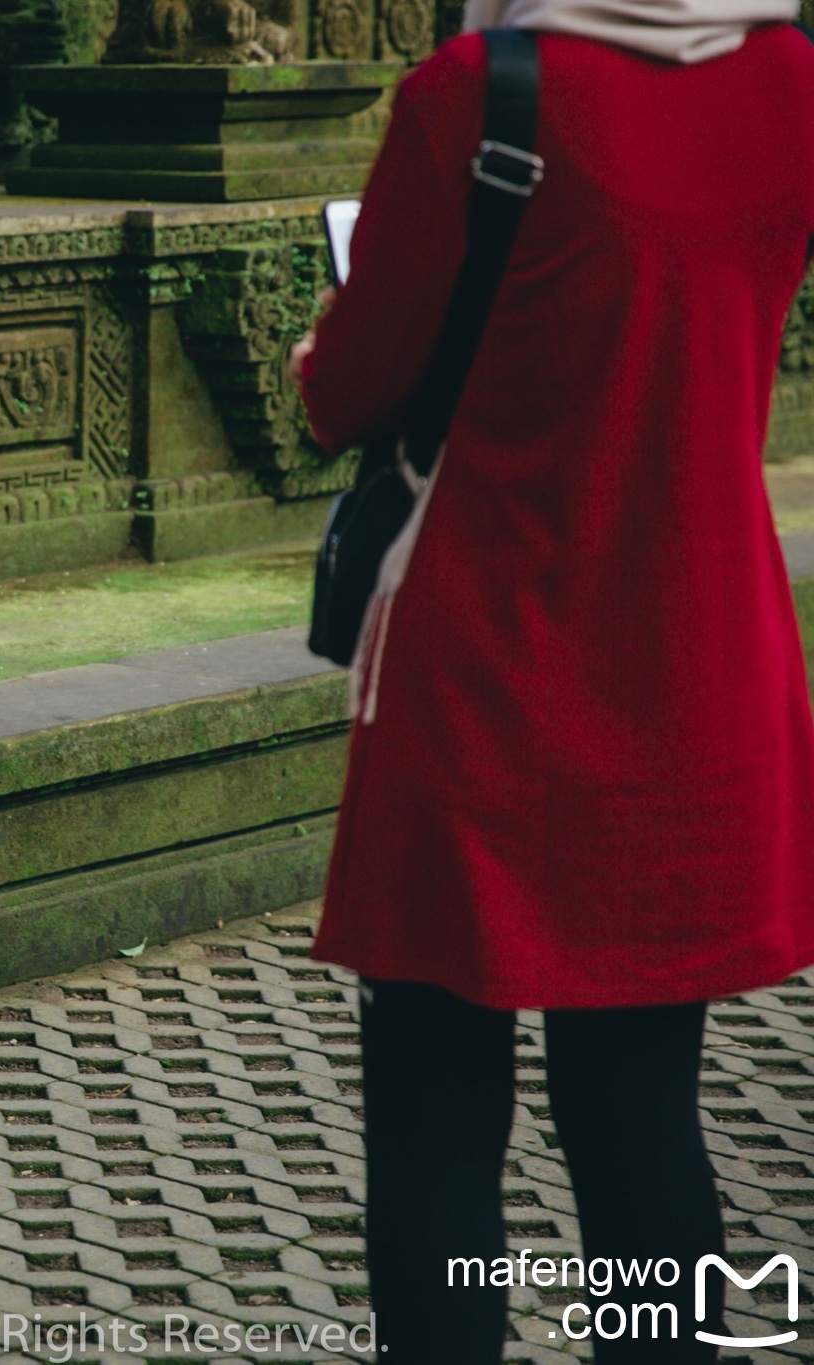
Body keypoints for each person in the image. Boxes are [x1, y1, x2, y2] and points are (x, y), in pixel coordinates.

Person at [290, 1, 814, 1357]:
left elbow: (348, 391)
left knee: (438, 1119)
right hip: (694, 667)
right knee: (645, 1119)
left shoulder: (476, 92)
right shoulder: (791, 79)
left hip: (487, 671)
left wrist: (318, 354)